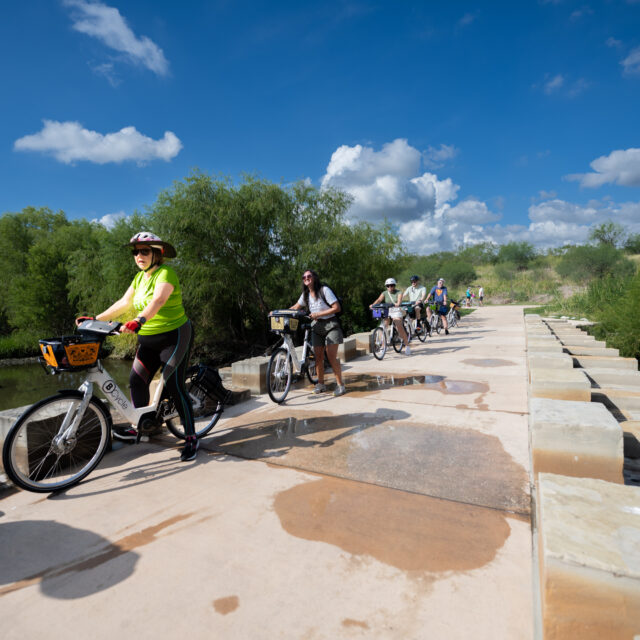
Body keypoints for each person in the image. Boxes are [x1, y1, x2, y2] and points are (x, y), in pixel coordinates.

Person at [82, 232, 198, 462]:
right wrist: (94, 319)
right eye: (135, 252)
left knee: (174, 385)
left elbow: (158, 301)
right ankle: (143, 424)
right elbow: (124, 303)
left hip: (174, 336)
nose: (139, 256)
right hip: (149, 340)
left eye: (144, 251)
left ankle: (192, 437)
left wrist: (139, 320)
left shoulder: (166, 273)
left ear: (157, 253)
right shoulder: (139, 279)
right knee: (136, 380)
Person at [289, 270, 346, 396]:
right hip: (316, 326)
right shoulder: (305, 295)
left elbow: (337, 308)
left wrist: (318, 314)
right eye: (304, 277)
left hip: (331, 325)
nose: (306, 278)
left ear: (314, 277)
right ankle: (321, 384)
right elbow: (295, 307)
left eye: (309, 276)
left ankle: (340, 385)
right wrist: (279, 312)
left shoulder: (324, 290)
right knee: (318, 357)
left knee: (330, 356)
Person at [369, 277, 411, 355]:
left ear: (394, 285)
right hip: (387, 310)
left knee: (399, 326)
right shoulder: (384, 293)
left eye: (392, 285)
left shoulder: (399, 292)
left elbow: (399, 301)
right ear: (386, 286)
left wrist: (397, 304)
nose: (390, 287)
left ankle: (407, 345)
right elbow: (379, 300)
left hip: (396, 310)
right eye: (388, 286)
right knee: (383, 326)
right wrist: (373, 305)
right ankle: (383, 346)